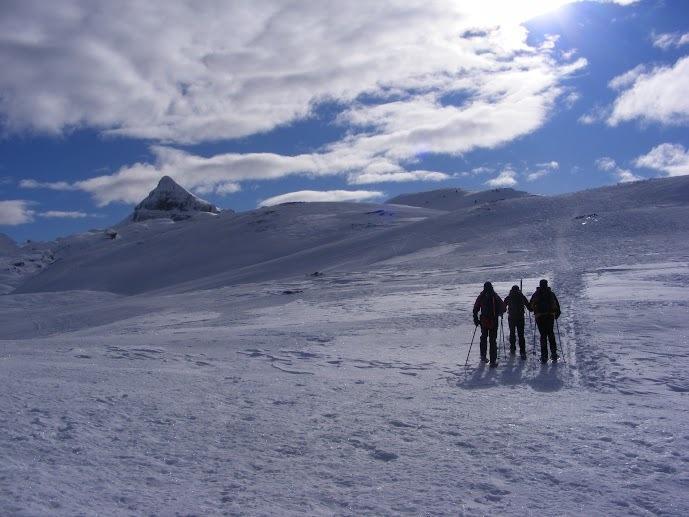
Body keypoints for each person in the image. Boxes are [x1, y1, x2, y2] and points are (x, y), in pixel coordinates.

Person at [473, 281, 505, 367]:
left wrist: (475, 318)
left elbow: (476, 308)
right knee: (492, 340)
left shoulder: (481, 296)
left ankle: (483, 356)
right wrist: (499, 313)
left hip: (484, 321)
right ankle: (493, 361)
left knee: (483, 337)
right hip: (493, 321)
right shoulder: (495, 296)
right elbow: (503, 307)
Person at [530, 279, 561, 363]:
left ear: (540, 285)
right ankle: (554, 354)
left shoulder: (536, 294)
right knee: (551, 334)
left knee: (543, 336)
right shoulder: (551, 294)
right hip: (550, 317)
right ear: (547, 285)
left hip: (540, 318)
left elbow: (530, 307)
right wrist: (556, 316)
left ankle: (544, 357)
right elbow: (557, 306)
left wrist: (536, 311)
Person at [504, 285, 532, 360]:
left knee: (512, 333)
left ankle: (512, 348)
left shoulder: (509, 296)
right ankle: (522, 351)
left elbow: (503, 306)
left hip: (511, 318)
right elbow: (529, 307)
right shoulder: (521, 296)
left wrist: (501, 311)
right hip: (520, 318)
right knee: (521, 335)